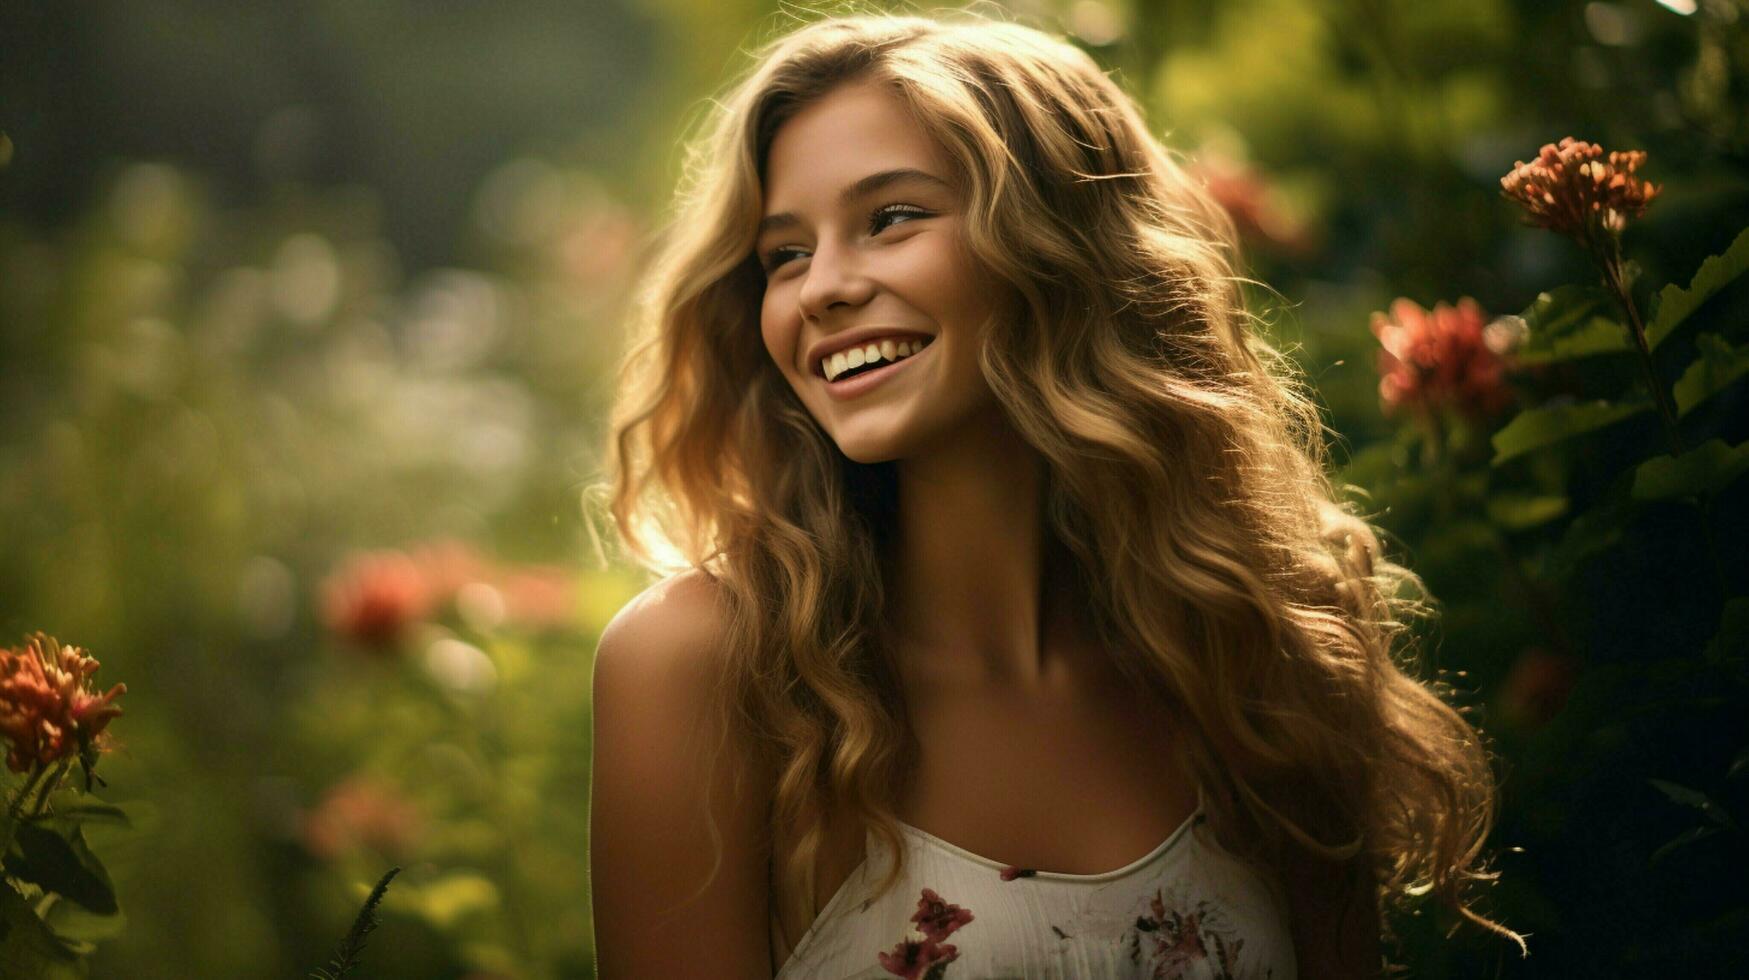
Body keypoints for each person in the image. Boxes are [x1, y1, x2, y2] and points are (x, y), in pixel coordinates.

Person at [587, 10, 1525, 979]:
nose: (821, 287)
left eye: (891, 217)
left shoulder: (1256, 658)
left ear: (1063, 250)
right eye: (784, 253)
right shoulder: (706, 669)